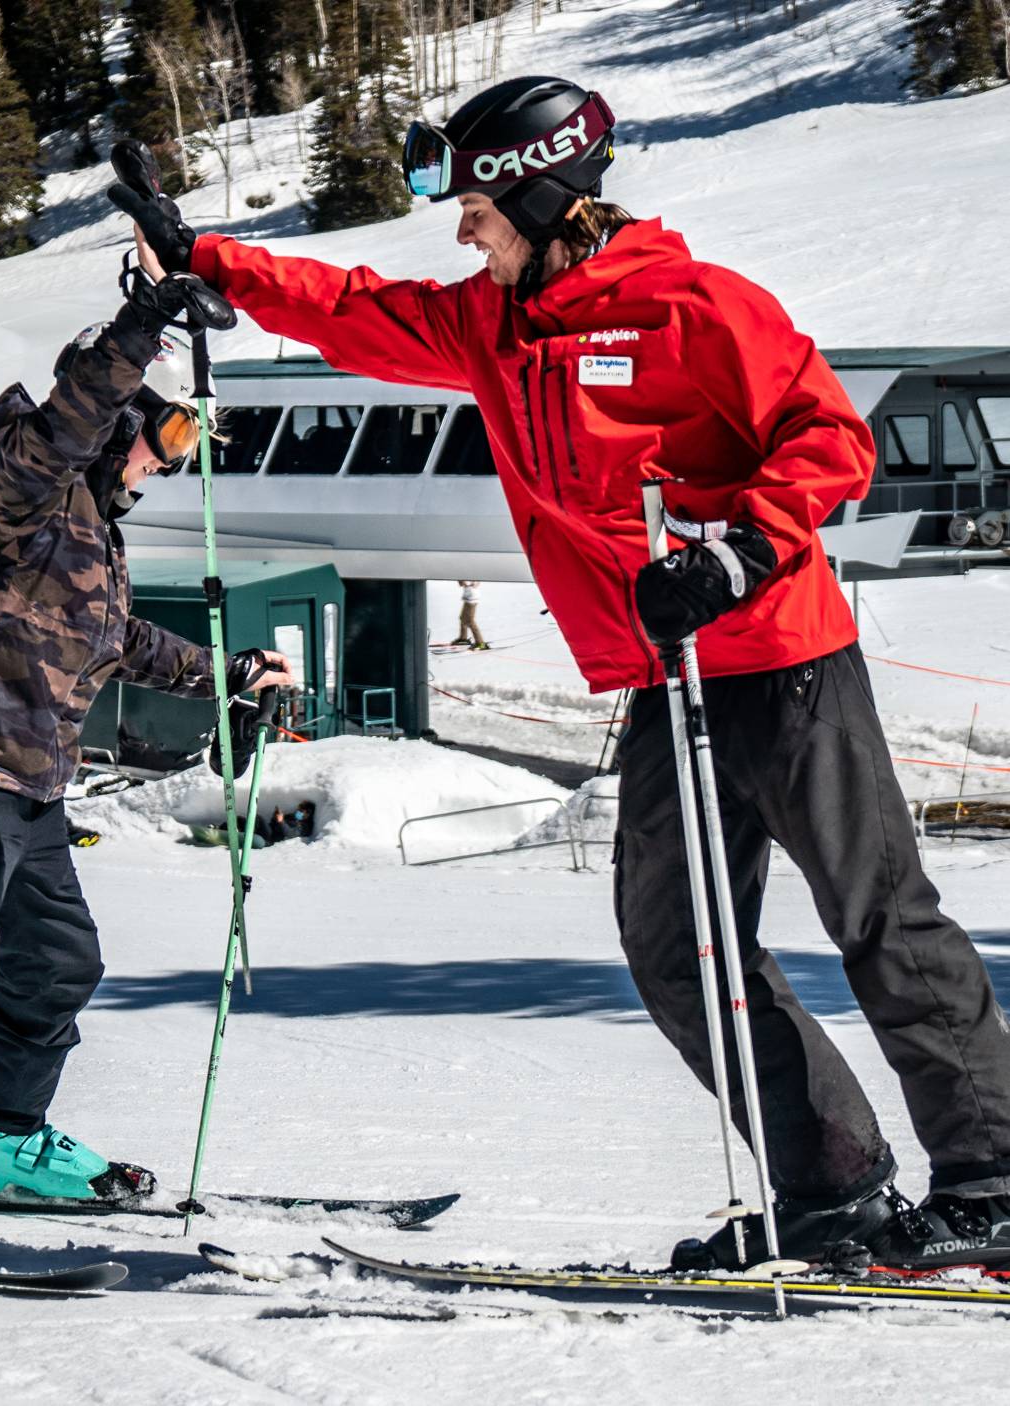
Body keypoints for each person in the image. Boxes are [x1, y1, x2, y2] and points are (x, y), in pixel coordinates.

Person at [111, 76, 1010, 1269]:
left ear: (537, 188)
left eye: (475, 205)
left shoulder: (689, 306)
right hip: (662, 676)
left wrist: (736, 550)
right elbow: (353, 306)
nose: (461, 229)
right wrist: (204, 257)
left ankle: (991, 1181)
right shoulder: (494, 324)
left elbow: (828, 437)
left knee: (875, 915)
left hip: (781, 659)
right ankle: (832, 1185)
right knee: (674, 939)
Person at [0, 268, 292, 1203]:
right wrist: (142, 324)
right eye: (164, 436)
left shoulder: (94, 534)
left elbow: (117, 641)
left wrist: (222, 674)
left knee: (58, 961)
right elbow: (66, 423)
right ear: (112, 423)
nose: (166, 462)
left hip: (30, 785)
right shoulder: (21, 491)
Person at [452, 580, 489, 650]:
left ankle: (481, 643)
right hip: (468, 597)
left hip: (472, 598)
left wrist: (470, 583)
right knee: (462, 618)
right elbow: (462, 584)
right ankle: (463, 638)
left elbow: (473, 583)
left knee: (470, 621)